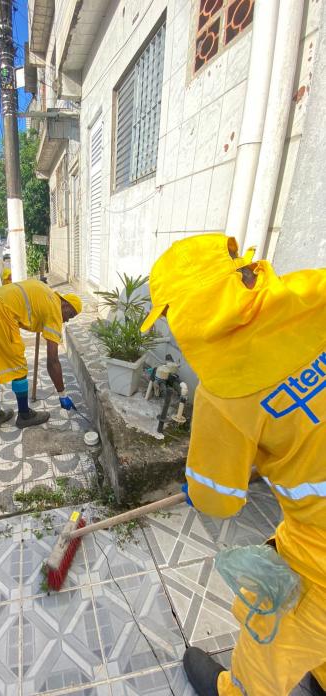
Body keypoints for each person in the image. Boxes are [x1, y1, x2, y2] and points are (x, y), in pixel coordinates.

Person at [140, 233, 326, 696]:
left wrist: (202, 486)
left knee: (273, 639)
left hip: (321, 551)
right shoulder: (315, 292)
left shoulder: (225, 395)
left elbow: (218, 500)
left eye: (167, 314)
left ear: (189, 312)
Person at [0, 278, 82, 430]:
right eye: (71, 315)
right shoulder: (55, 310)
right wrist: (62, 395)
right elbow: (53, 361)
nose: (67, 320)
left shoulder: (46, 293)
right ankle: (24, 415)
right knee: (19, 368)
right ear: (65, 303)